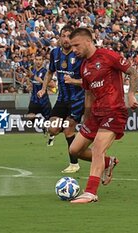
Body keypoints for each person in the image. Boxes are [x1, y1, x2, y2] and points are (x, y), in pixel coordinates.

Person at [68, 28, 138, 204]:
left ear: (88, 41)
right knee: (74, 150)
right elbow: (88, 94)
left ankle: (91, 192)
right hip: (95, 114)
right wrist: (86, 118)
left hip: (114, 110)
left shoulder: (108, 56)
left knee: (98, 148)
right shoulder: (84, 66)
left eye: (76, 45)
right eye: (72, 46)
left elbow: (134, 72)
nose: (74, 50)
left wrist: (130, 94)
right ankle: (108, 162)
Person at [37, 25, 84, 173]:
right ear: (60, 37)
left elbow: (88, 79)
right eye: (63, 36)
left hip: (77, 99)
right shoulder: (55, 53)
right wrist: (44, 89)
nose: (66, 39)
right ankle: (55, 135)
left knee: (69, 129)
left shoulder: (79, 55)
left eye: (69, 36)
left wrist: (75, 81)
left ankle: (74, 164)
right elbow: (50, 72)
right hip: (62, 99)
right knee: (53, 128)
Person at [26, 53, 53, 141]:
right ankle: (42, 126)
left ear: (43, 61)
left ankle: (51, 137)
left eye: (40, 60)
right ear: (34, 60)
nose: (38, 61)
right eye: (37, 60)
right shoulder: (33, 71)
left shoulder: (45, 71)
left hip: (43, 99)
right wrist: (29, 86)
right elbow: (32, 82)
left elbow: (52, 85)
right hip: (34, 99)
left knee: (50, 120)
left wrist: (41, 81)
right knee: (30, 117)